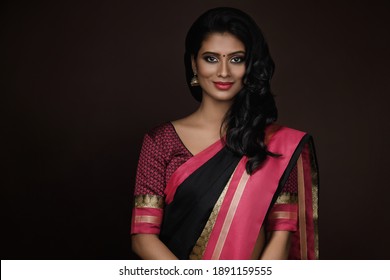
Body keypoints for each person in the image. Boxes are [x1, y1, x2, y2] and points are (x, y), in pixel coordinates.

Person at [130, 7, 319, 260]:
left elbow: (281, 234)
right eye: (211, 58)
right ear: (193, 63)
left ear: (250, 66)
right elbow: (143, 238)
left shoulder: (276, 145)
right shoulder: (160, 142)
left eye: (236, 59)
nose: (223, 72)